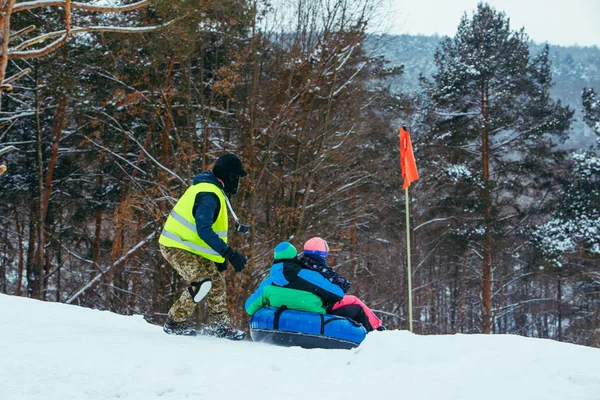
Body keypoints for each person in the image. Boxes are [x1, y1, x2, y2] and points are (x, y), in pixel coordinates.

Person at [158, 153, 248, 340]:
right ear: (230, 176)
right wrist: (229, 254)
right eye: (237, 177)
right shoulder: (208, 194)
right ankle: (174, 323)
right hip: (175, 245)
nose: (238, 181)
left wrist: (219, 259)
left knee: (216, 283)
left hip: (189, 246)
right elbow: (204, 229)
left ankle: (220, 327)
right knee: (201, 281)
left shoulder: (213, 189)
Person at [300, 237, 385, 332]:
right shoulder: (319, 268)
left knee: (352, 300)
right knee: (355, 302)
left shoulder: (300, 265)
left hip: (308, 301)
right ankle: (376, 327)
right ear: (322, 254)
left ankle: (374, 326)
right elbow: (344, 284)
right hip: (324, 303)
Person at [245, 242, 344, 316]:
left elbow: (249, 308)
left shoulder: (267, 284)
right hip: (314, 325)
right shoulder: (310, 276)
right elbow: (338, 294)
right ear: (295, 256)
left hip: (279, 324)